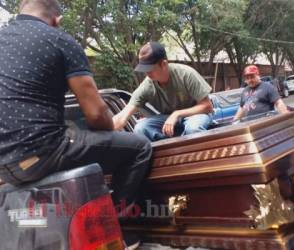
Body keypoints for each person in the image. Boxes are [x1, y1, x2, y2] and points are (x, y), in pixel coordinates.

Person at [0, 1, 151, 247]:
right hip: (45, 151)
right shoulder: (59, 40)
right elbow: (96, 114)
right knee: (139, 148)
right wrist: (111, 128)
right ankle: (117, 228)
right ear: (57, 19)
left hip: (5, 166)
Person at [113, 41, 213, 141]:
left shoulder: (186, 74)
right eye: (144, 69)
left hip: (196, 114)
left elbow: (207, 106)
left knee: (193, 129)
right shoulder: (147, 86)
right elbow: (123, 116)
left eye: (150, 69)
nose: (147, 73)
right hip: (169, 119)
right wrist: (102, 131)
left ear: (163, 64)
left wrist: (177, 114)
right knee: (140, 128)